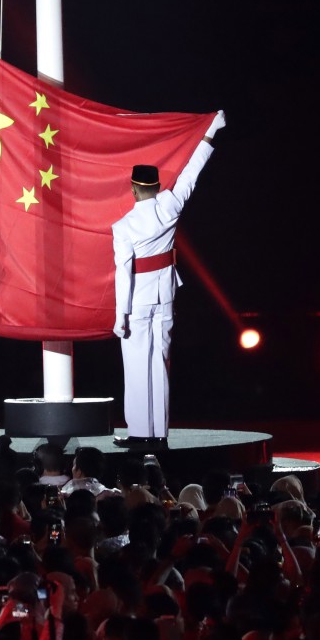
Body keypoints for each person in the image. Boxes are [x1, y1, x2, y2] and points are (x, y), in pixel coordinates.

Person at [112, 111, 226, 448]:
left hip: (137, 302)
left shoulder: (123, 227)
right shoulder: (170, 205)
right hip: (164, 298)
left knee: (136, 368)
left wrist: (120, 315)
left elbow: (123, 272)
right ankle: (158, 433)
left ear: (133, 190)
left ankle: (139, 434)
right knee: (159, 365)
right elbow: (192, 173)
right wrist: (208, 136)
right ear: (157, 187)